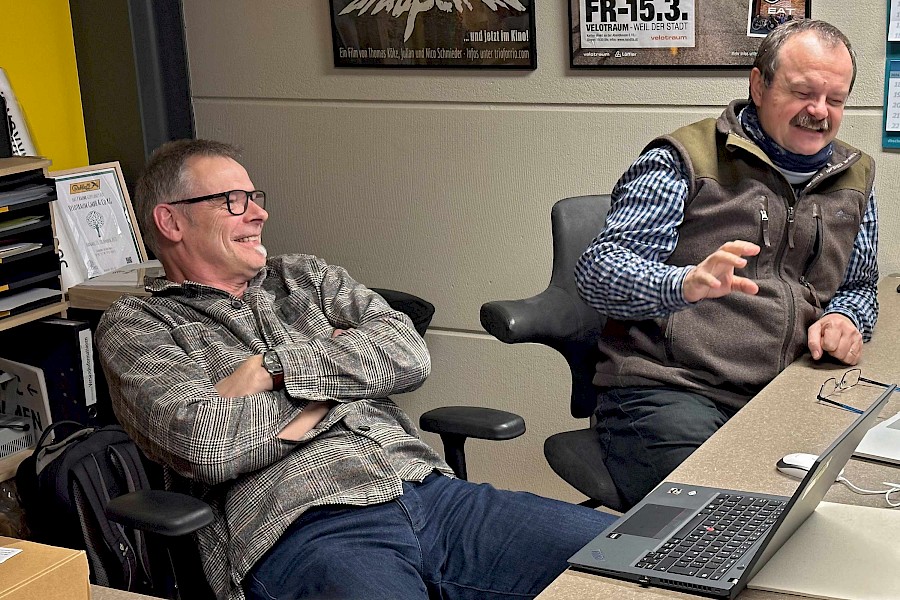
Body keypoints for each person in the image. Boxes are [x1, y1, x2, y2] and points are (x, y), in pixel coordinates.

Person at [95, 139, 615, 600]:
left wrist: (272, 369)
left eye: (255, 198)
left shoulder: (306, 276)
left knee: (630, 561)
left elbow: (407, 353)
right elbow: (204, 443)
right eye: (233, 201)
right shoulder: (139, 324)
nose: (258, 214)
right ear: (171, 221)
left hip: (428, 490)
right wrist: (339, 382)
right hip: (304, 525)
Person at [574, 19, 878, 507]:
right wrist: (684, 284)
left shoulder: (853, 176)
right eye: (802, 93)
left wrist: (846, 317)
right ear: (759, 85)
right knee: (724, 519)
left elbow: (859, 285)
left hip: (787, 388)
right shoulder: (684, 160)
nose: (819, 112)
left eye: (835, 100)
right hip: (673, 388)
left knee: (850, 498)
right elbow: (599, 271)